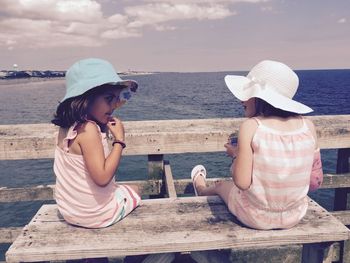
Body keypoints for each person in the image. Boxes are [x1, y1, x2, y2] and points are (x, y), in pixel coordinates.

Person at [191, 60, 323, 230]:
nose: (241, 100)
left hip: (255, 216)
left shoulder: (251, 127)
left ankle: (200, 189)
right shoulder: (308, 127)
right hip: (294, 215)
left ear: (260, 98)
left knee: (221, 186)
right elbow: (314, 182)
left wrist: (236, 154)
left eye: (248, 94)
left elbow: (242, 182)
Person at [52, 58, 141, 228]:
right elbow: (102, 178)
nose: (115, 104)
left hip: (69, 211)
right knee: (136, 190)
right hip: (95, 215)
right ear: (86, 98)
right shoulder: (89, 129)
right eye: (108, 98)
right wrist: (119, 141)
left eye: (117, 98)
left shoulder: (66, 127)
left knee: (121, 188)